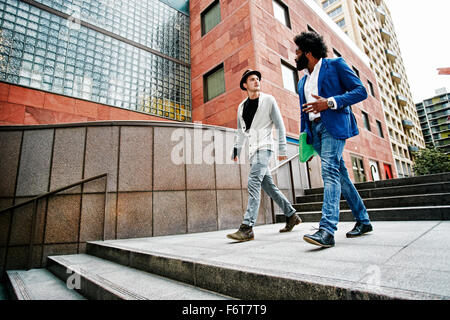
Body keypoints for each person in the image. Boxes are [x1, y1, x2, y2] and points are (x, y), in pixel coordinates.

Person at [294, 31, 373, 248]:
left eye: (298, 52)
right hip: (315, 131)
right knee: (342, 177)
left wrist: (329, 102)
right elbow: (304, 113)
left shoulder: (335, 65)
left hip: (334, 125)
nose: (295, 56)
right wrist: (306, 141)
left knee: (329, 172)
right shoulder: (302, 83)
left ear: (308, 53)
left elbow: (360, 91)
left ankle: (327, 230)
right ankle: (364, 221)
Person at [226, 69, 302, 242]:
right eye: (252, 79)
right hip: (253, 151)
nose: (256, 81)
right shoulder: (241, 107)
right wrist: (236, 149)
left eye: (258, 79)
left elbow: (280, 125)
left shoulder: (268, 100)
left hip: (265, 147)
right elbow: (241, 131)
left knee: (253, 182)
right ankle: (291, 215)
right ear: (245, 85)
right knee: (269, 187)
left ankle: (247, 227)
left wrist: (282, 149)